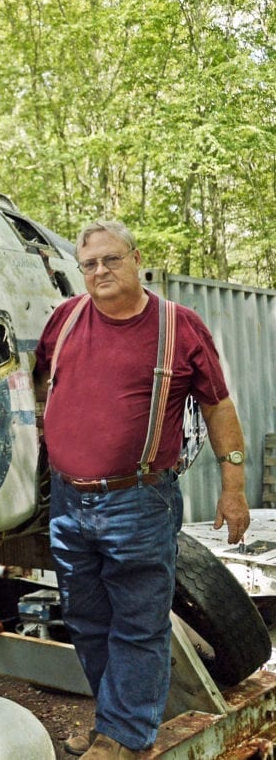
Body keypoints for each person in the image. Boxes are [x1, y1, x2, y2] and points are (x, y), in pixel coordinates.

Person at [32, 220, 250, 759]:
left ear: (135, 259)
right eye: (89, 264)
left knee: (137, 622)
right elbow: (42, 380)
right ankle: (113, 722)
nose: (101, 271)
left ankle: (125, 738)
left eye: (112, 259)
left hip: (139, 501)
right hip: (68, 500)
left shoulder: (179, 327)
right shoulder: (65, 318)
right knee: (85, 618)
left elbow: (219, 406)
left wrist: (234, 486)